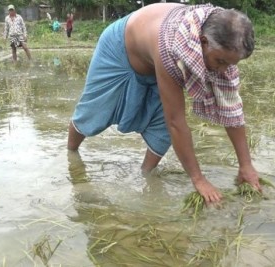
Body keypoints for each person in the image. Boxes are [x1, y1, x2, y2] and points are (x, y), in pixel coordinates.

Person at [67, 3, 261, 204]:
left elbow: (231, 108)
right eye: (220, 62)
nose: (222, 70)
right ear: (202, 42)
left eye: (230, 64)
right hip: (120, 49)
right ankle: (70, 153)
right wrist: (199, 179)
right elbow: (176, 121)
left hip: (152, 58)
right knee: (94, 111)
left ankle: (146, 174)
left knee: (162, 129)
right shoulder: (173, 45)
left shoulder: (222, 42)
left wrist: (246, 165)